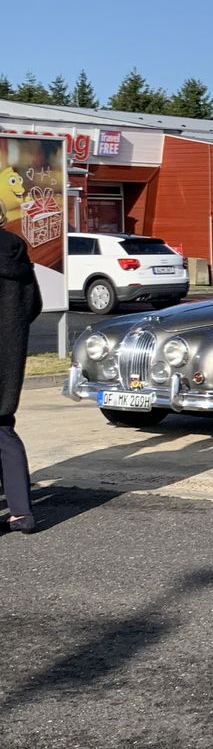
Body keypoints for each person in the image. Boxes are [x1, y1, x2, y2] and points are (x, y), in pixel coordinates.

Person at [1, 217, 43, 534]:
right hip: (8, 356)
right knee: (3, 428)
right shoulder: (18, 253)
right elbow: (33, 305)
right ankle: (21, 513)